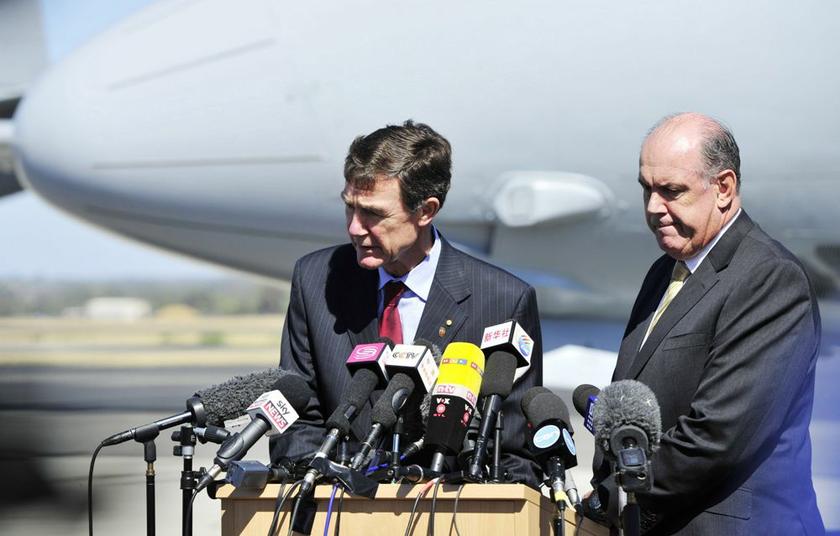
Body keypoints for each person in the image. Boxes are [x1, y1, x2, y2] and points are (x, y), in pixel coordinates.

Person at [272, 120, 542, 485]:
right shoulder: (315, 279)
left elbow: (513, 453)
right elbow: (296, 419)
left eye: (373, 214)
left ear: (426, 211)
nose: (354, 227)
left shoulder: (502, 301)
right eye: (350, 207)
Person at [592, 113, 824, 534]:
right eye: (647, 189)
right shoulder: (665, 272)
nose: (653, 208)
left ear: (724, 188)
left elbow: (716, 437)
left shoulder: (769, 278)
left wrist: (617, 496)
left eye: (671, 191)